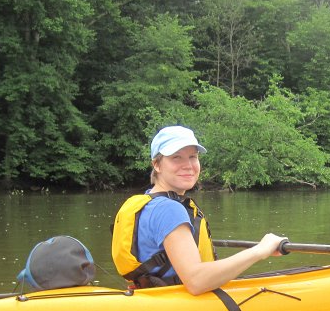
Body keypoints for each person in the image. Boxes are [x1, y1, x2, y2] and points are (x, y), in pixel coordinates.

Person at [112, 125, 285, 295]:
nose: (188, 165)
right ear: (157, 165)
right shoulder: (169, 209)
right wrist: (260, 251)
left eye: (193, 157)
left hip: (151, 297)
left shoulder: (148, 202)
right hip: (174, 308)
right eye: (176, 157)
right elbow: (197, 281)